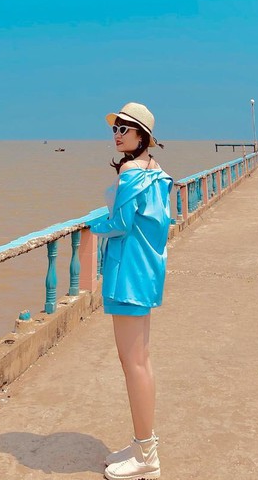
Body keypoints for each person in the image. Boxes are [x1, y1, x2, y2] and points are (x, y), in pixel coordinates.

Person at [89, 102, 173, 480]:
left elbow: (118, 223)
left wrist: (93, 225)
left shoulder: (130, 173)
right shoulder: (157, 173)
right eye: (116, 128)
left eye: (125, 129)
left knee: (133, 363)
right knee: (142, 359)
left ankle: (146, 458)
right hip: (147, 271)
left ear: (142, 137)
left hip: (126, 275)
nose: (117, 134)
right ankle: (142, 445)